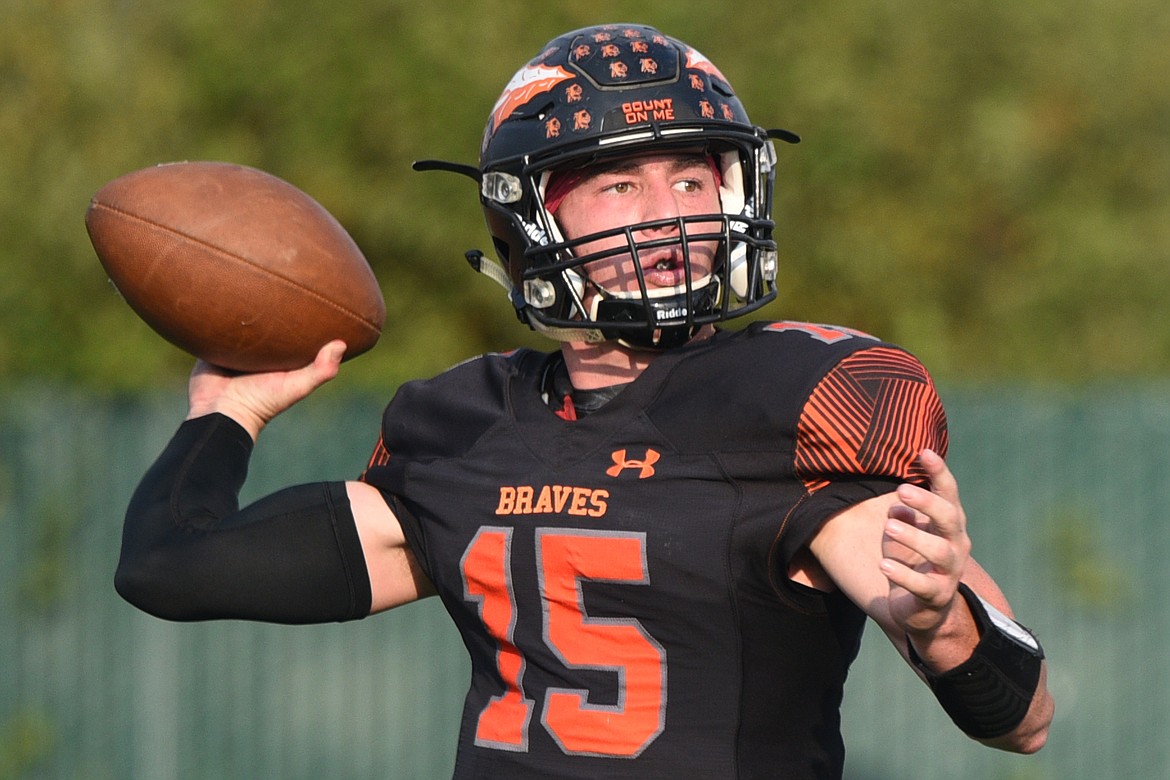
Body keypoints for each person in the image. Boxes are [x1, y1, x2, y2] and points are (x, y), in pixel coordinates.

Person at [115, 23, 1054, 779]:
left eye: (692, 177)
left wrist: (940, 622)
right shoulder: (465, 425)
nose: (673, 212)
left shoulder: (799, 403)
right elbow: (172, 567)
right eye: (621, 183)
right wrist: (227, 413)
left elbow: (1023, 719)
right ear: (529, 218)